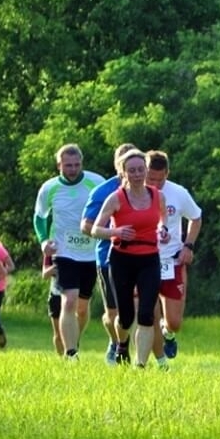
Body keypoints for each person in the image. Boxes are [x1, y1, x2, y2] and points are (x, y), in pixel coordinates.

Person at [88, 148, 169, 368]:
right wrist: (116, 232)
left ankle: (140, 365)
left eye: (140, 169)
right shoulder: (115, 199)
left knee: (146, 315)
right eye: (131, 170)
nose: (137, 174)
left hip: (150, 258)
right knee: (125, 316)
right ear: (123, 173)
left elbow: (163, 219)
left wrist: (163, 230)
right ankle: (122, 344)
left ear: (146, 170)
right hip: (121, 259)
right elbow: (95, 230)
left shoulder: (157, 196)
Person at [34, 143, 104, 361]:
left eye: (76, 165)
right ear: (59, 165)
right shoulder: (49, 188)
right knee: (69, 300)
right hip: (64, 251)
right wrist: (44, 240)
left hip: (91, 253)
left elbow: (111, 209)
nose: (73, 169)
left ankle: (73, 338)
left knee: (82, 308)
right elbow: (40, 217)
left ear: (82, 163)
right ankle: (71, 353)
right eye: (68, 166)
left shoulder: (96, 182)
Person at [81, 143, 139, 364]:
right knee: (113, 314)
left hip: (141, 257)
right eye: (125, 162)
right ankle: (115, 341)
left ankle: (132, 355)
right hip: (108, 258)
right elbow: (86, 226)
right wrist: (114, 233)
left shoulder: (148, 191)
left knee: (136, 310)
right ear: (118, 165)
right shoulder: (103, 192)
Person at [145, 150, 203, 369]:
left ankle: (167, 332)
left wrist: (188, 245)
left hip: (172, 261)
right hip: (145, 260)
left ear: (167, 173)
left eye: (161, 179)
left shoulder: (178, 193)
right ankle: (159, 362)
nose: (157, 184)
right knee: (148, 315)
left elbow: (196, 218)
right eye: (152, 178)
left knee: (175, 323)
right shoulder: (134, 194)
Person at [43, 254, 64, 356]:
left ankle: (71, 354)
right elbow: (44, 274)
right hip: (55, 295)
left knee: (70, 332)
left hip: (71, 294)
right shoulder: (50, 253)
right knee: (58, 333)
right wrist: (56, 267)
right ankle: (61, 359)